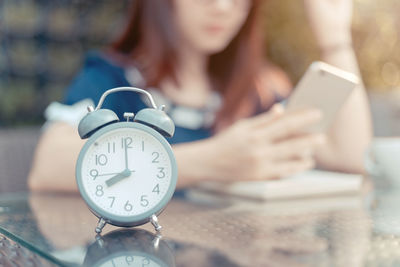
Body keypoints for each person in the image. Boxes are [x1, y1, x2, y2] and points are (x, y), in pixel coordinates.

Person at [28, 0, 372, 192]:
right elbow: (48, 168)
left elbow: (351, 156)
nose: (223, 7)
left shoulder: (258, 88)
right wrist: (212, 159)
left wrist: (334, 39)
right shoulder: (114, 82)